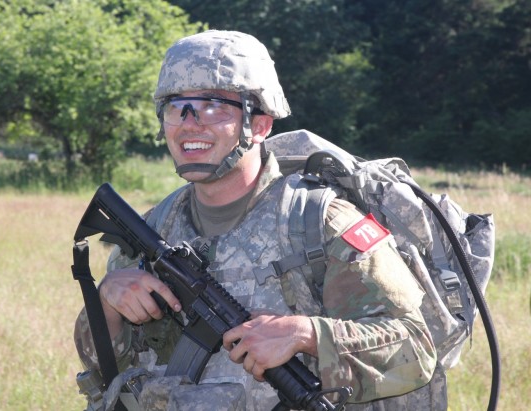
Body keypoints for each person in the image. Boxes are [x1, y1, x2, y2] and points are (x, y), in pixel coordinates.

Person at [74, 30, 444, 410]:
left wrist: (306, 334)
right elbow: (103, 366)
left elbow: (416, 346)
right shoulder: (154, 228)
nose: (189, 123)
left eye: (213, 106)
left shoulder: (319, 221)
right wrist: (106, 304)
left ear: (261, 125)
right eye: (176, 107)